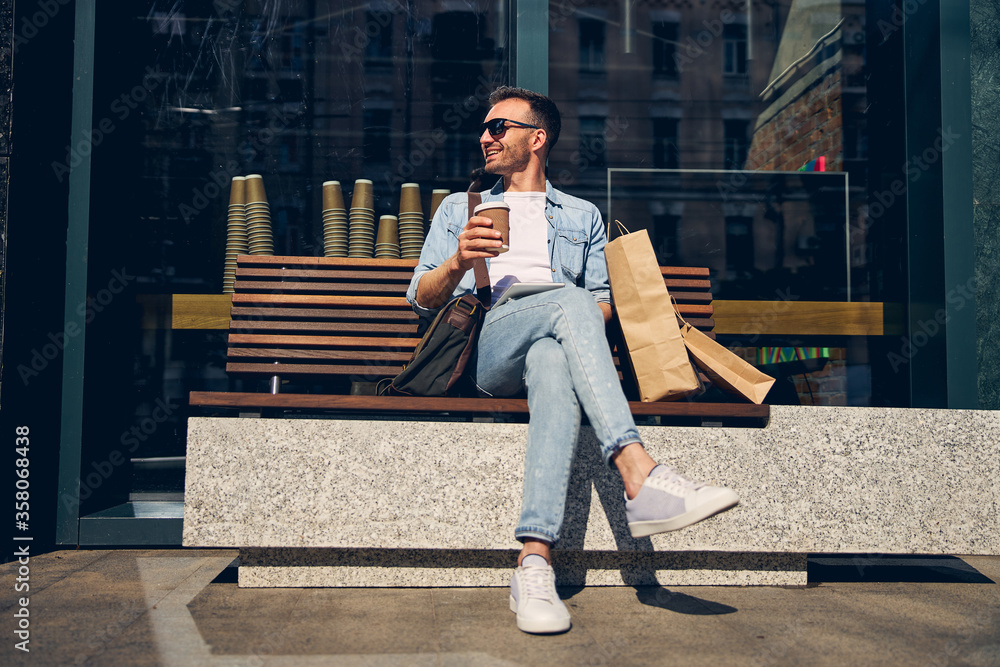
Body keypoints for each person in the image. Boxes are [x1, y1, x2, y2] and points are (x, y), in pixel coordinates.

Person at [406, 86, 738, 634]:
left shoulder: (582, 215)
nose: (484, 137)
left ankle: (534, 562)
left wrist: (565, 311)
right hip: (488, 349)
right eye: (484, 128)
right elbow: (420, 297)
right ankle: (638, 471)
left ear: (536, 139)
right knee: (570, 300)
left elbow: (607, 305)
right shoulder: (460, 208)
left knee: (555, 359)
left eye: (498, 127)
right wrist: (460, 260)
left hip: (549, 345)